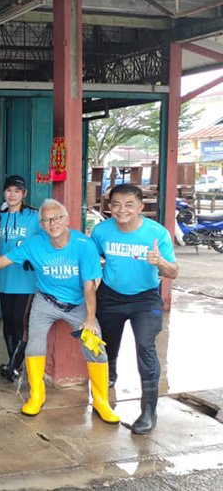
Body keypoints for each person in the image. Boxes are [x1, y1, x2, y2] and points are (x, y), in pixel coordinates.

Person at [0, 199, 119, 424]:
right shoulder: (34, 244)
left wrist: (90, 319)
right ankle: (37, 395)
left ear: (66, 219)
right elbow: (4, 260)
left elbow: (89, 286)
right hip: (46, 301)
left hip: (78, 304)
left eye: (57, 218)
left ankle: (101, 401)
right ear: (41, 224)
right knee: (34, 346)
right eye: (47, 220)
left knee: (95, 348)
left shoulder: (84, 245)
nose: (53, 223)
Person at [91, 184, 178, 434]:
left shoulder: (156, 234)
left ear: (140, 206)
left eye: (129, 205)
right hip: (110, 296)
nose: (122, 210)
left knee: (145, 347)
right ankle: (109, 379)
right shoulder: (101, 231)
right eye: (116, 204)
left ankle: (149, 410)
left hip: (145, 299)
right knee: (107, 345)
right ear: (109, 206)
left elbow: (173, 272)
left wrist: (160, 262)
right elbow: (91, 259)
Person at [0, 175, 40, 382]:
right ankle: (13, 363)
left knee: (21, 320)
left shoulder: (34, 216)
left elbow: (45, 243)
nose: (12, 195)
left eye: (17, 191)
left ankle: (14, 365)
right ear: (4, 193)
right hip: (4, 278)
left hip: (26, 279)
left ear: (24, 193)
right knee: (8, 321)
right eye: (9, 190)